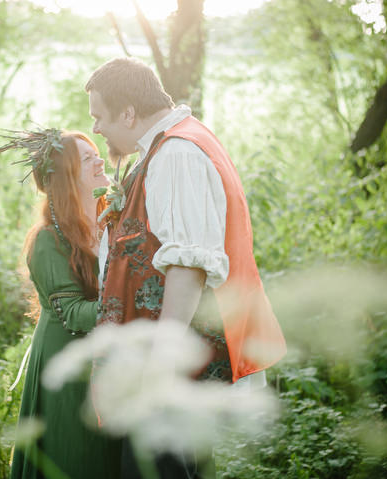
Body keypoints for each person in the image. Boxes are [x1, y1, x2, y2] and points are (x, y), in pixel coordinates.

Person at [86, 58, 288, 478]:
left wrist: (163, 358)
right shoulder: (173, 144)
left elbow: (188, 265)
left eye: (99, 117)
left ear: (128, 112)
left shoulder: (177, 154)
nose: (96, 129)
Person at [0, 129, 121, 479]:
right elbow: (73, 315)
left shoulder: (110, 220)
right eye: (87, 158)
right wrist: (132, 304)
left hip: (104, 352)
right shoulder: (47, 240)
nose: (100, 160)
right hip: (66, 357)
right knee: (75, 453)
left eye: (97, 152)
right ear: (67, 176)